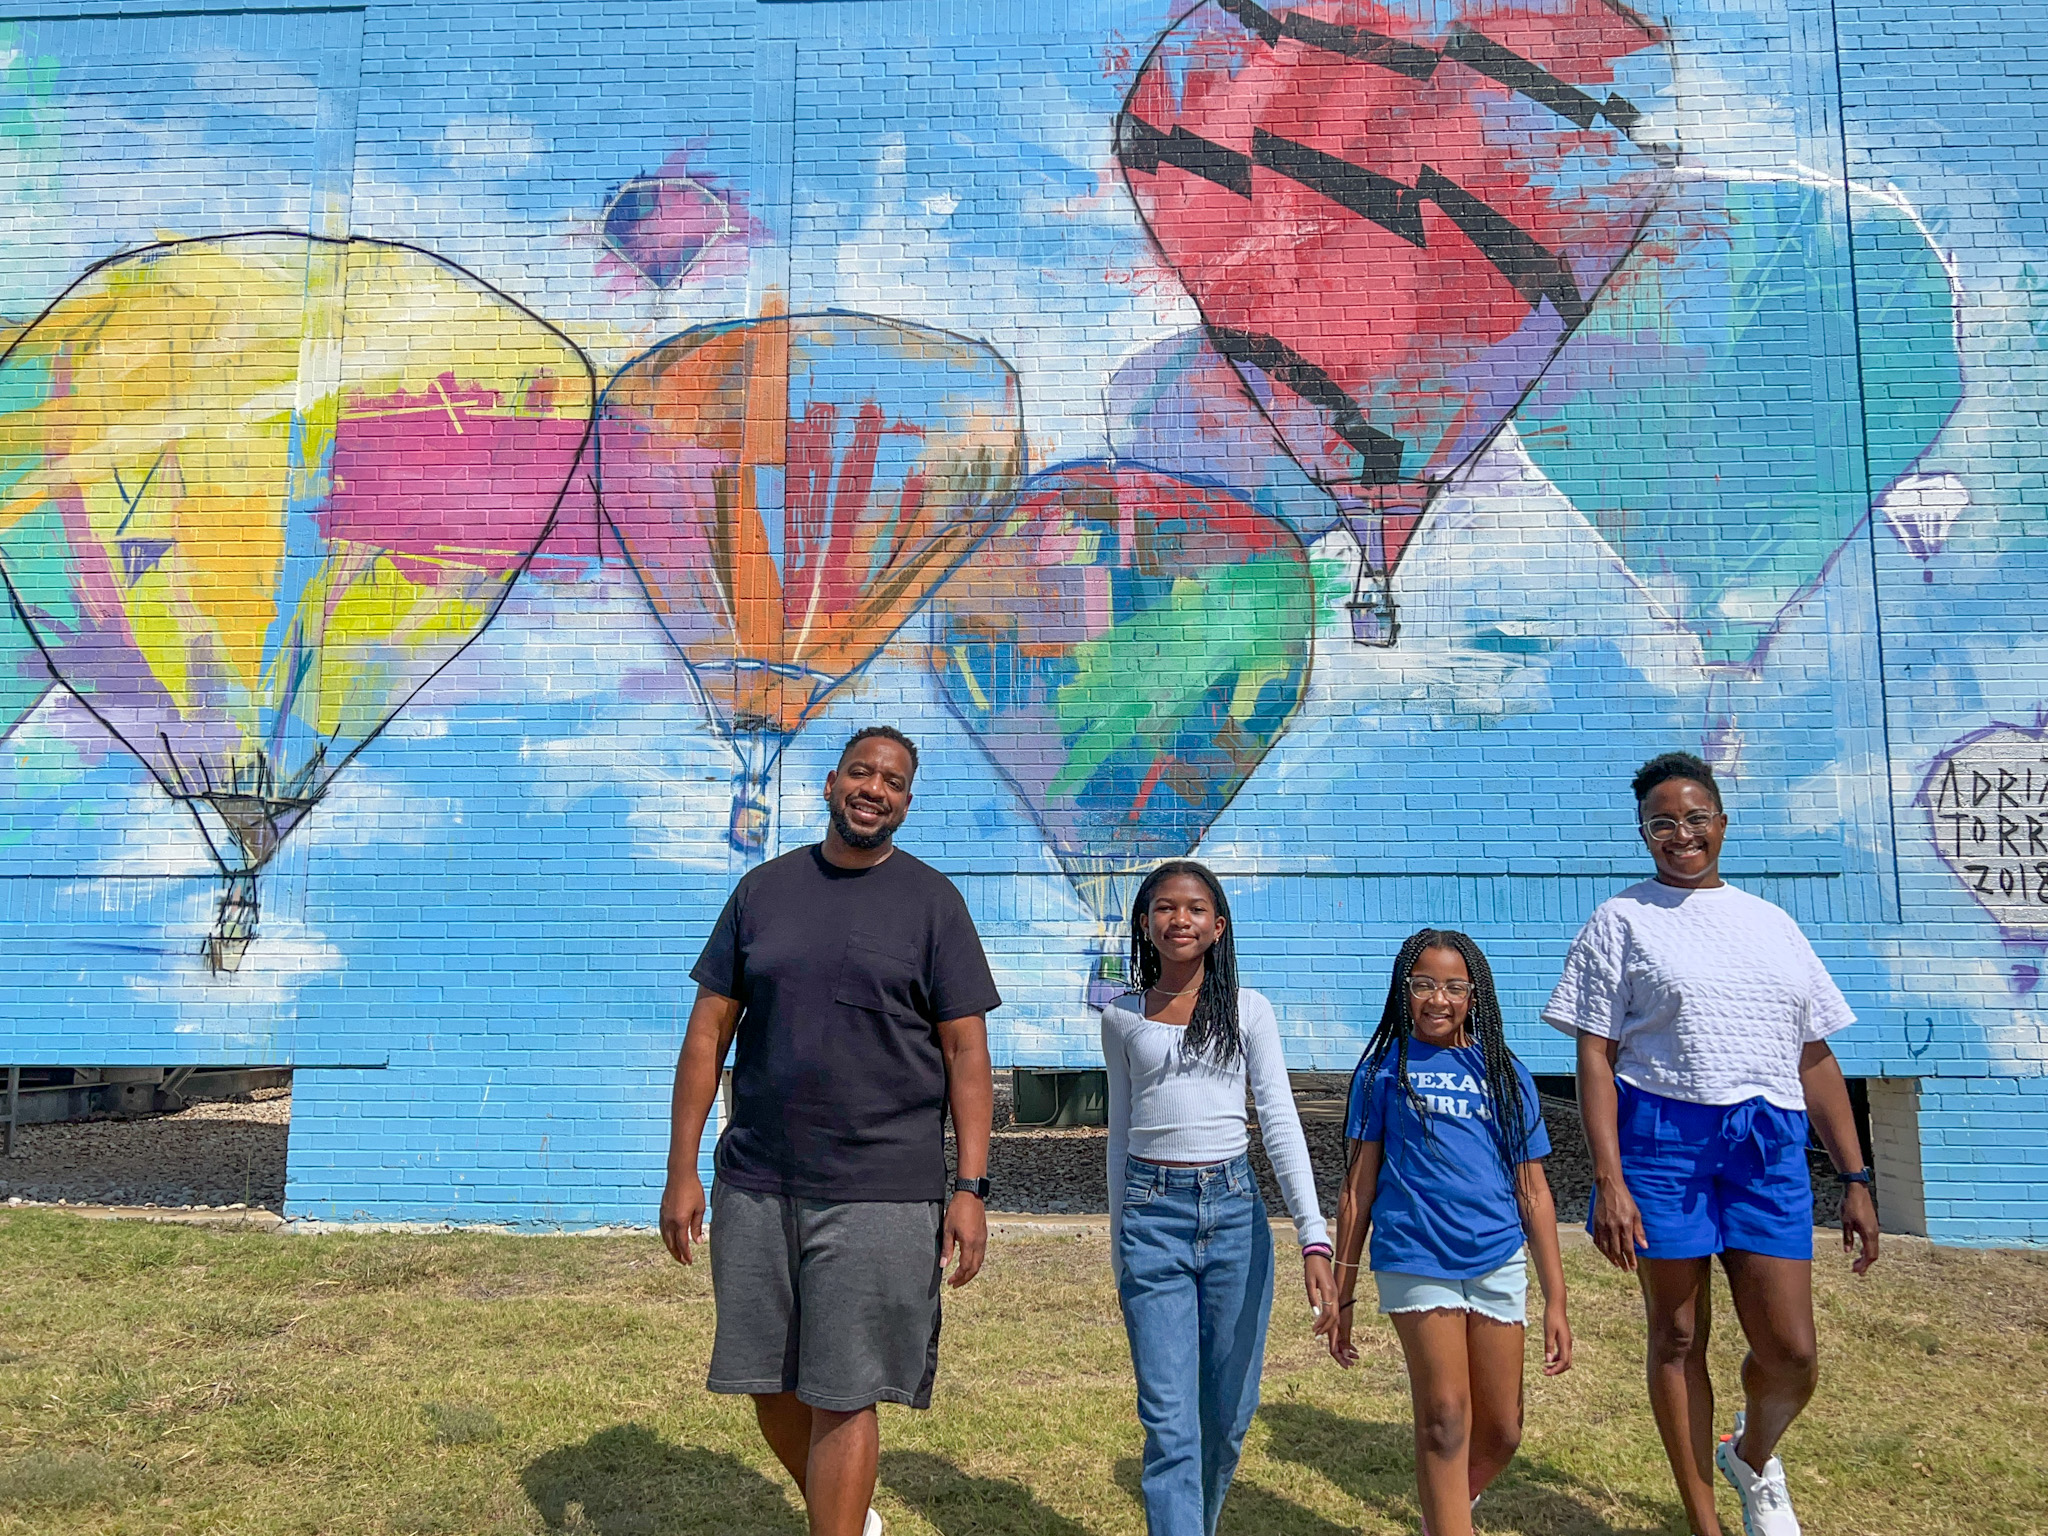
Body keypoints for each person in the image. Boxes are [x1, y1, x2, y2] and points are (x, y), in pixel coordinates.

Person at [659, 726, 1002, 1536]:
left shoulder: (933, 904)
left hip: (883, 1188)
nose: (874, 789)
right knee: (768, 1381)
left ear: (907, 804)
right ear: (830, 783)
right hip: (758, 1181)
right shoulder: (762, 891)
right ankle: (851, 1517)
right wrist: (682, 1169)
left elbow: (967, 1054)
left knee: (845, 1391)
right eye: (861, 772)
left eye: (892, 781)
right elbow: (707, 1033)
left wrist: (972, 1187)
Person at [1544, 751, 1880, 1536]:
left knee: (1792, 1352)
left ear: (1722, 824)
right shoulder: (1621, 919)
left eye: (1695, 818)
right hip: (1661, 1140)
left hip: (1765, 1143)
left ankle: (1750, 1454)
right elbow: (1594, 1054)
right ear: (1643, 834)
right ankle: (1706, 1524)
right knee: (1679, 1334)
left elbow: (1814, 1056)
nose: (1681, 834)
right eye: (1662, 823)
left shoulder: (1774, 924)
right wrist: (1610, 1179)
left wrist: (1856, 1175)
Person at [1101, 859, 1338, 1536]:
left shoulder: (1248, 1010)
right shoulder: (1121, 1018)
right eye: (1165, 908)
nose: (1181, 919)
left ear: (1219, 925)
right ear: (1145, 924)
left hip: (1235, 1216)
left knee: (1228, 1419)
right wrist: (1122, 1246)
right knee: (1170, 1423)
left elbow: (1282, 1121)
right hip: (1153, 1218)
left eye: (1196, 908)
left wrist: (1312, 1237)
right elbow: (1119, 1136)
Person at [1318, 928, 1571, 1536]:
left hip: (1496, 1258)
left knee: (1503, 1431)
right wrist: (1343, 1286)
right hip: (1415, 1254)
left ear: (1474, 995)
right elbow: (1358, 1189)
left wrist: (1556, 1297)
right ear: (1404, 991)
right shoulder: (1383, 1071)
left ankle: (1446, 1514)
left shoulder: (1506, 1072)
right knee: (1444, 1417)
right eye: (1424, 984)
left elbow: (1532, 1190)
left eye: (1454, 986)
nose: (1438, 999)